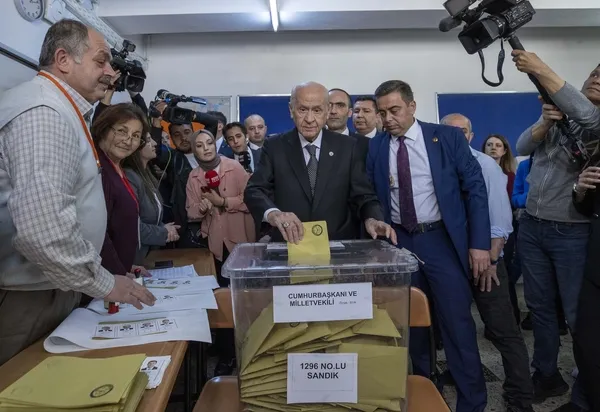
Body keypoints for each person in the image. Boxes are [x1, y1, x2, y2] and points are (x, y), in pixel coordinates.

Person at [0, 20, 155, 366]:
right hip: (31, 295)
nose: (111, 73)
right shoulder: (44, 112)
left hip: (54, 285)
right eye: (101, 61)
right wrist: (104, 283)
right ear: (63, 60)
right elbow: (43, 231)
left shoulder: (64, 109)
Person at [367, 80, 490, 412]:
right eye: (382, 113)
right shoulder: (377, 147)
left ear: (412, 106)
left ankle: (472, 403)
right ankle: (424, 392)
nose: (388, 119)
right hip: (399, 242)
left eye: (395, 110)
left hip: (440, 240)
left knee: (456, 324)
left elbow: (475, 189)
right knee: (411, 325)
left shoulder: (446, 137)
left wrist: (480, 244)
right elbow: (371, 195)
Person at [512, 51, 600, 411]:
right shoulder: (558, 112)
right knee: (540, 308)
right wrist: (545, 123)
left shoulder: (593, 121)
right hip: (532, 225)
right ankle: (546, 374)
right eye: (594, 73)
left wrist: (541, 69)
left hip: (572, 232)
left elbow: (588, 115)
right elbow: (522, 147)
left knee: (579, 316)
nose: (597, 78)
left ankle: (587, 386)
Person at [442, 114, 533, 412]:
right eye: (449, 131)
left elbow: (500, 219)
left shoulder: (485, 165)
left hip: (486, 263)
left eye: (462, 131)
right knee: (457, 329)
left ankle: (520, 396)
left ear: (470, 136)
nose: (456, 136)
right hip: (451, 263)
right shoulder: (436, 165)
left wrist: (492, 260)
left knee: (503, 330)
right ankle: (461, 376)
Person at [244, 81, 395, 244]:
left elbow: (363, 195)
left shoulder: (348, 146)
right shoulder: (275, 146)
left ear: (327, 111)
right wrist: (273, 214)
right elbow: (254, 190)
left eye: (317, 110)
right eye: (302, 110)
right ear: (291, 110)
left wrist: (372, 218)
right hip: (290, 244)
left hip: (338, 245)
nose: (309, 119)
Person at [186, 129, 255, 281]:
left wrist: (223, 202)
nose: (206, 148)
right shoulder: (193, 176)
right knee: (221, 285)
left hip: (241, 239)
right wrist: (201, 209)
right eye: (200, 145)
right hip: (215, 243)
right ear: (194, 150)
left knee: (244, 285)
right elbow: (190, 211)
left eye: (209, 143)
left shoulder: (234, 167)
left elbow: (250, 200)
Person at [92, 104, 150, 277]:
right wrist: (117, 272)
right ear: (104, 129)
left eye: (135, 136)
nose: (128, 140)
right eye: (122, 131)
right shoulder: (100, 171)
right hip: (104, 276)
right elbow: (98, 233)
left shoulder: (117, 168)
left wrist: (126, 266)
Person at [123, 134, 180, 264]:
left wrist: (164, 227)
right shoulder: (130, 177)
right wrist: (163, 232)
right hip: (135, 259)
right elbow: (133, 226)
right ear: (137, 148)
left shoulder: (146, 173)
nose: (154, 143)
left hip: (149, 255)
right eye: (149, 140)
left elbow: (150, 218)